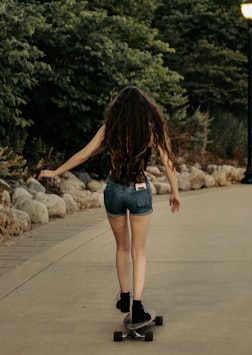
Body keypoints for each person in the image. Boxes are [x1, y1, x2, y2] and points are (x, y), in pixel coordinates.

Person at [38, 86, 180, 328]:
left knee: (122, 247)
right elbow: (169, 164)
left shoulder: (109, 129)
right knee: (139, 252)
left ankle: (124, 296)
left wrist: (55, 171)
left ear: (119, 108)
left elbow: (83, 155)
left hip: (114, 190)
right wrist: (175, 192)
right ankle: (137, 306)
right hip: (138, 191)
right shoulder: (151, 130)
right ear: (144, 108)